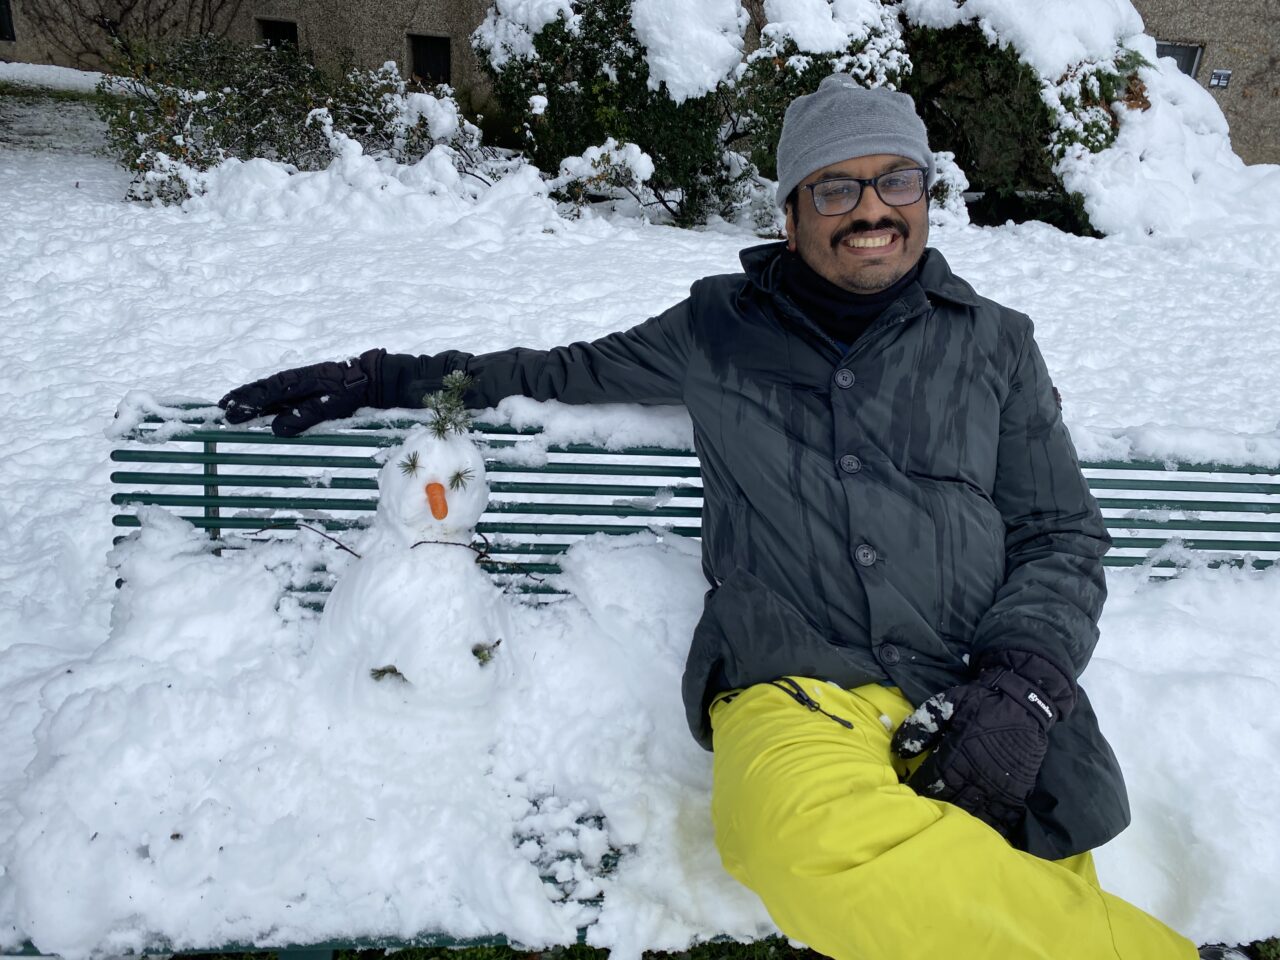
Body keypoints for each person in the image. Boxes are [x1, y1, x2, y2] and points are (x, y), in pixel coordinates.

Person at [221, 77, 1240, 960]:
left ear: (926, 198)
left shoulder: (994, 345)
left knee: (996, 902)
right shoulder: (715, 330)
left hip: (976, 690)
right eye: (835, 188)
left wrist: (1021, 687)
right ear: (791, 214)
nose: (871, 209)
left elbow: (1061, 531)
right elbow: (553, 371)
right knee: (800, 845)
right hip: (797, 686)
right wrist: (384, 376)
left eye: (897, 181)